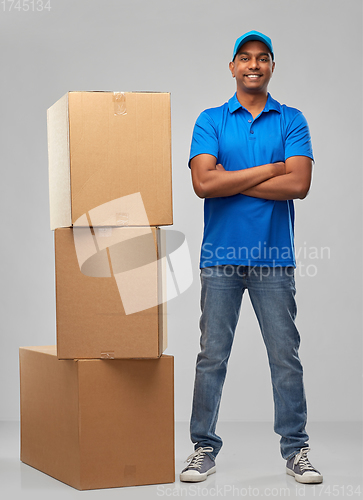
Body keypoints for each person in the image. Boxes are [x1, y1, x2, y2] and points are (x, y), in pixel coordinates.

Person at [180, 31, 323, 485]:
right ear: (233, 67)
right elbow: (203, 184)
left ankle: (296, 450)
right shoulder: (211, 119)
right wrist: (269, 169)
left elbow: (298, 185)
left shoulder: (291, 119)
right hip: (220, 257)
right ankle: (203, 447)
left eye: (263, 59)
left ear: (272, 67)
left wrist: (232, 178)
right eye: (245, 59)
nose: (254, 65)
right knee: (211, 356)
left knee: (285, 357)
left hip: (273, 259)